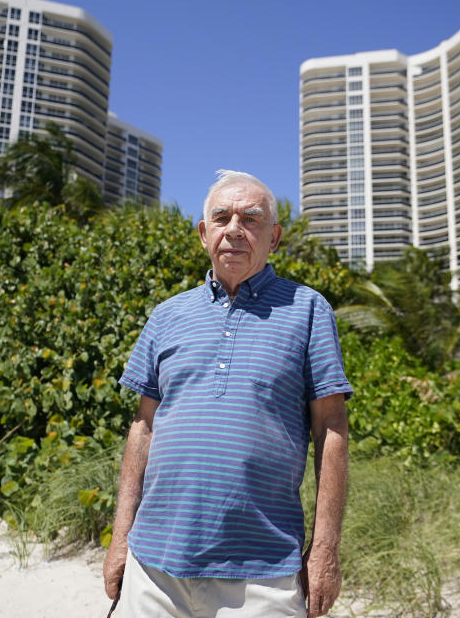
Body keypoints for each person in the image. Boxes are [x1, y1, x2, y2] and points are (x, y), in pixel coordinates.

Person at [102, 170, 351, 618]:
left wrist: (324, 550)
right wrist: (120, 539)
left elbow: (331, 428)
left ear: (273, 237)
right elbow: (143, 428)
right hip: (153, 565)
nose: (234, 229)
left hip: (263, 573)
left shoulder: (309, 309)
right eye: (222, 217)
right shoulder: (166, 315)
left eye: (250, 219)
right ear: (204, 234)